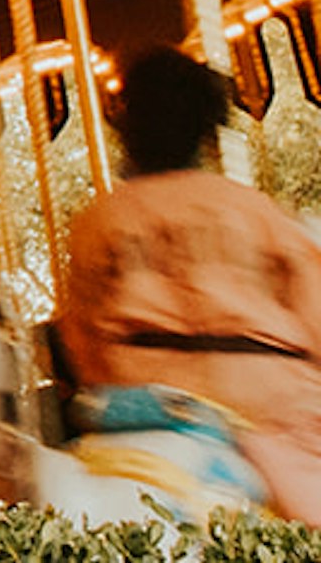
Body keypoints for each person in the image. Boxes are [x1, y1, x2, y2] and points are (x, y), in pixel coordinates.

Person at [61, 46, 321, 515]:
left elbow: (79, 338)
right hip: (269, 405)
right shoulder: (255, 212)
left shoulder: (96, 222)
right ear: (205, 130)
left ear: (125, 128)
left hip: (145, 406)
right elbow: (315, 312)